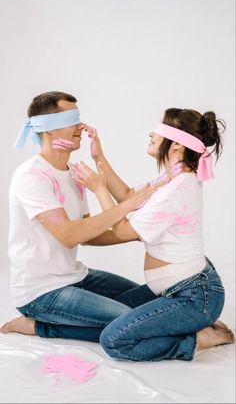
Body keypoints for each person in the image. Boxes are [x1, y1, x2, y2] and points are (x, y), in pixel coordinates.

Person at [71, 107, 235, 361]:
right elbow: (128, 197)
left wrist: (98, 189)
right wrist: (99, 158)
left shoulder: (177, 189)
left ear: (177, 146)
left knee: (114, 340)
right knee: (113, 314)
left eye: (159, 131)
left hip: (194, 296)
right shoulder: (171, 177)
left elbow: (124, 230)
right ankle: (192, 325)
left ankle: (198, 338)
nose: (151, 134)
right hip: (174, 288)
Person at [0, 91, 158, 340]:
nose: (80, 127)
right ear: (48, 128)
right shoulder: (32, 176)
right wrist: (126, 206)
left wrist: (134, 235)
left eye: (78, 118)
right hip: (41, 291)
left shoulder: (74, 173)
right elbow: (68, 235)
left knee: (153, 302)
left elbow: (86, 232)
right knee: (134, 321)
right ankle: (35, 325)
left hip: (75, 276)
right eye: (70, 120)